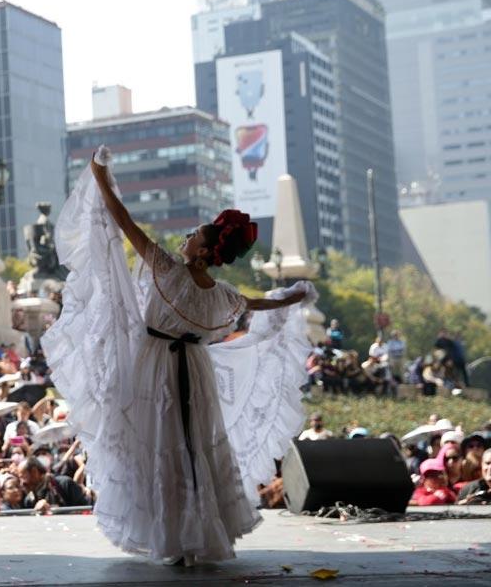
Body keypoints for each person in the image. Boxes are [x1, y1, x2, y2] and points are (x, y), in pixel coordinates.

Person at [42, 145, 314, 565]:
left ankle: (175, 534)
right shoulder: (221, 295)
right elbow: (254, 305)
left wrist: (99, 177)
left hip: (157, 365)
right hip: (194, 367)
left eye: (194, 236)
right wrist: (290, 297)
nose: (186, 238)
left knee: (161, 446)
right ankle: (195, 533)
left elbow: (124, 221)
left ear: (204, 252)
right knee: (192, 447)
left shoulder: (167, 269)